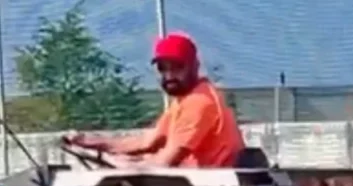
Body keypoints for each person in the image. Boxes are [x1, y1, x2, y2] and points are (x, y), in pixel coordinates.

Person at [63, 32, 245, 168]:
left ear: (195, 66)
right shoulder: (184, 101)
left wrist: (111, 161)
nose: (169, 75)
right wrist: (89, 141)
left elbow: (163, 163)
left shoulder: (200, 102)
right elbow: (146, 143)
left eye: (177, 68)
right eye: (162, 69)